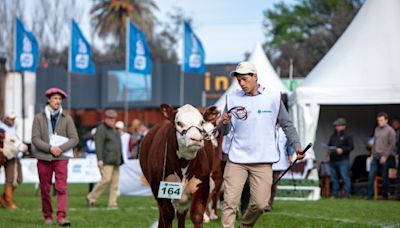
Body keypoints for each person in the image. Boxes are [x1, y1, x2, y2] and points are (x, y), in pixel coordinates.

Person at [220, 61, 304, 228]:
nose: (242, 84)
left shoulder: (273, 97)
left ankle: (245, 225)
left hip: (263, 160)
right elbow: (225, 131)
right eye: (239, 81)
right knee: (229, 202)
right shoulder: (232, 98)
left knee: (260, 204)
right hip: (237, 159)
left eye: (244, 79)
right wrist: (224, 123)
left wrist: (297, 146)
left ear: (255, 76)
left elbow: (287, 125)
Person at [31, 88, 79, 226]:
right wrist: (50, 148)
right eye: (55, 98)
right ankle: (47, 216)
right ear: (49, 100)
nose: (58, 101)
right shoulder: (39, 118)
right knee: (45, 189)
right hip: (44, 158)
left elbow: (74, 139)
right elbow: (35, 138)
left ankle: (61, 217)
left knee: (61, 188)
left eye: (60, 99)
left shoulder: (67, 118)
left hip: (61, 158)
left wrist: (60, 149)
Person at [86, 109, 123, 209]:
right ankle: (91, 197)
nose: (113, 121)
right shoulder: (101, 129)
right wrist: (100, 159)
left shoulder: (115, 130)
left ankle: (112, 203)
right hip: (106, 160)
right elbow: (99, 145)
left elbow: (118, 145)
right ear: (105, 119)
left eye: (114, 119)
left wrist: (120, 158)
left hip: (116, 160)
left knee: (115, 183)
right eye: (111, 119)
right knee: (106, 180)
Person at [367, 112, 396, 200]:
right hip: (375, 155)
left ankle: (384, 195)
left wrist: (385, 156)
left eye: (382, 120)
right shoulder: (376, 129)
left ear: (386, 120)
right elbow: (374, 143)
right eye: (379, 120)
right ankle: (369, 195)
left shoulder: (391, 131)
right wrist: (372, 154)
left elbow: (392, 145)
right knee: (371, 176)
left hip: (385, 156)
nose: (380, 122)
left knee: (384, 177)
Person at [0, 112, 24, 209]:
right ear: (6, 119)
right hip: (7, 156)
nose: (12, 121)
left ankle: (3, 198)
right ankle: (9, 203)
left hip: (15, 156)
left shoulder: (13, 128)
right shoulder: (2, 129)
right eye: (10, 119)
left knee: (18, 179)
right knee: (10, 179)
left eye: (13, 119)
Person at [326, 118, 354, 199]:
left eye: (338, 126)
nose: (337, 127)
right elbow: (329, 146)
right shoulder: (333, 136)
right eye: (336, 126)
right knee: (334, 178)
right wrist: (327, 155)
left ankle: (347, 194)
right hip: (333, 159)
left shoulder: (348, 135)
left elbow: (351, 147)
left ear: (344, 126)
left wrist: (342, 150)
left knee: (345, 177)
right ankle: (334, 194)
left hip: (343, 160)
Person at [268, 124, 294, 210]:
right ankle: (262, 203)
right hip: (267, 159)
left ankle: (270, 204)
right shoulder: (268, 126)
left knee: (274, 184)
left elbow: (288, 145)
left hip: (279, 161)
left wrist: (290, 156)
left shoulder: (284, 130)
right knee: (266, 183)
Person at [84, 128, 97, 193]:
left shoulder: (99, 142)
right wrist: (94, 151)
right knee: (91, 175)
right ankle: (90, 189)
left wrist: (91, 151)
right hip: (89, 161)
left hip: (97, 160)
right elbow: (86, 150)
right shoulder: (88, 142)